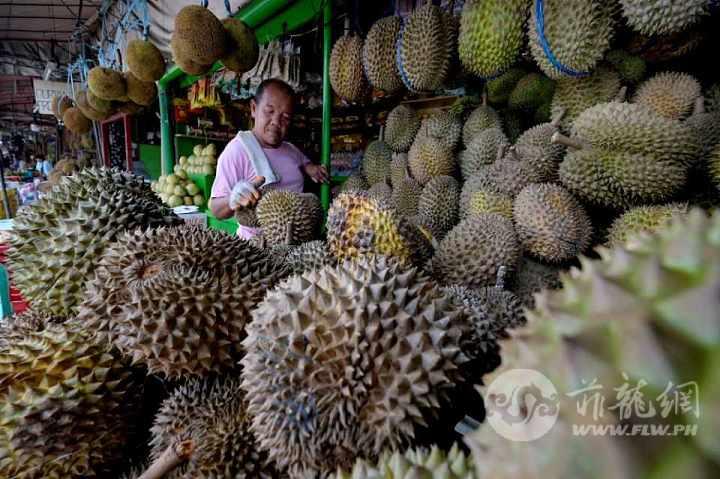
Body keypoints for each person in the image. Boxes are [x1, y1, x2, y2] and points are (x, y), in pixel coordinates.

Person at [210, 78, 328, 239]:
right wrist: (233, 198)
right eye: (269, 111)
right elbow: (215, 209)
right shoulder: (237, 151)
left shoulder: (289, 148)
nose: (276, 122)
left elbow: (302, 161)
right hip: (260, 251)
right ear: (253, 108)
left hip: (299, 242)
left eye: (285, 117)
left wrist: (311, 169)